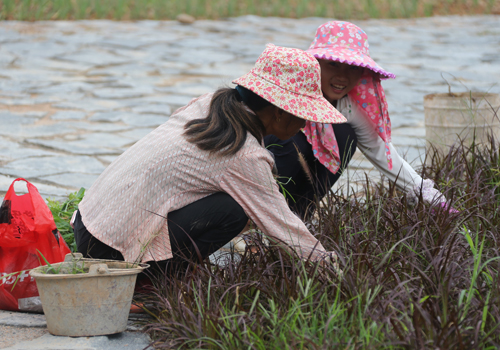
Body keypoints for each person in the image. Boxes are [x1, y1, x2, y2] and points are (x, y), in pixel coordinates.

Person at [72, 44, 347, 276]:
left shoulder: (210, 104)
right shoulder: (244, 153)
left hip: (91, 222)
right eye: (303, 113)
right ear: (279, 112)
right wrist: (330, 268)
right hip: (110, 252)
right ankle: (148, 282)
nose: (305, 123)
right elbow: (281, 224)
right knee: (233, 212)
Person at [265, 21, 450, 219]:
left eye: (352, 68)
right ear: (315, 64)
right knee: (289, 140)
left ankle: (297, 217)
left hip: (292, 190)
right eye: (333, 64)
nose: (342, 76)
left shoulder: (348, 107)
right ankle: (265, 216)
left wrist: (429, 195)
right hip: (258, 173)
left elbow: (381, 152)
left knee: (345, 135)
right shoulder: (286, 92)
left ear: (362, 72)